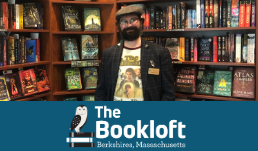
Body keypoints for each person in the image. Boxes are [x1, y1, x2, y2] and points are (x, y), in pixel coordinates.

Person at [95, 5, 175, 101]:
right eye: (124, 21)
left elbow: (169, 92)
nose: (129, 25)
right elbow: (101, 91)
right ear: (118, 26)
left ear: (141, 22)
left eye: (133, 20)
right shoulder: (108, 54)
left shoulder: (160, 53)